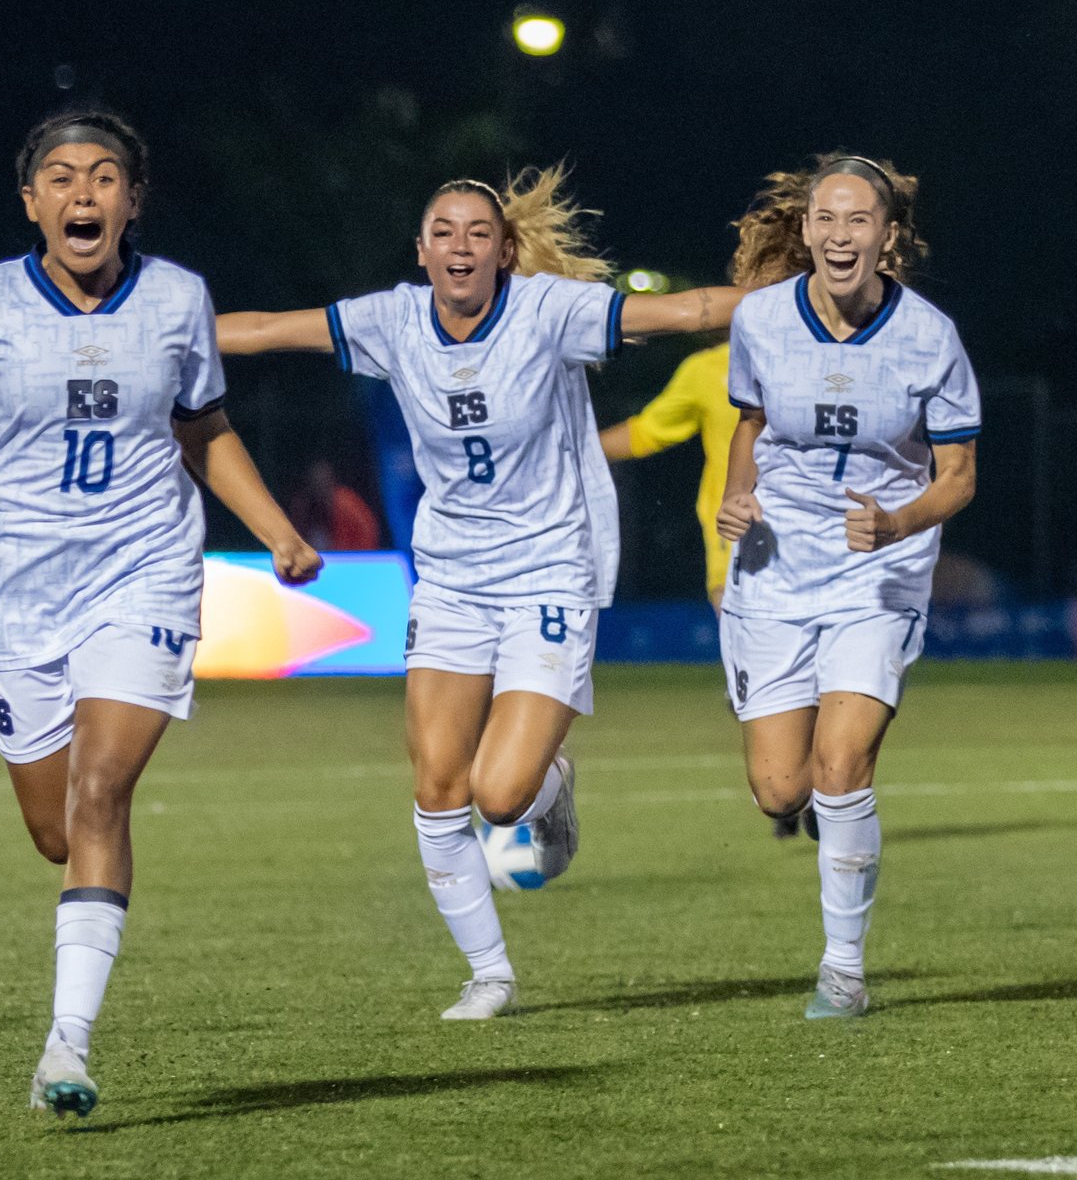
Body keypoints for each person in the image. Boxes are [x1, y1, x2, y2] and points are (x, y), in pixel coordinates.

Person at [0, 112, 319, 1119]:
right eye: (59, 178)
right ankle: (78, 963)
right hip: (18, 593)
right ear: (30, 201)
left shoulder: (175, 300)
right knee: (56, 828)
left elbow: (203, 431)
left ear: (132, 198)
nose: (82, 195)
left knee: (97, 792)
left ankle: (66, 1044)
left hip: (143, 575)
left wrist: (273, 531)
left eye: (102, 177)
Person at [219, 167, 758, 1020]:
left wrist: (804, 294)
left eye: (479, 232)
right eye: (444, 231)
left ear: (506, 251)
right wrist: (153, 330)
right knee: (438, 784)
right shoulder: (392, 319)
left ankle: (551, 788)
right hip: (452, 580)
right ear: (423, 250)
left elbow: (685, 312)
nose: (460, 246)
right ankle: (490, 975)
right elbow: (259, 331)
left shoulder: (549, 311)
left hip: (548, 569)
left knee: (500, 795)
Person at [715, 154, 979, 1019]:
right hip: (774, 573)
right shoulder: (761, 320)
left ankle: (843, 970)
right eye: (825, 220)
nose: (839, 236)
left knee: (840, 768)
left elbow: (959, 474)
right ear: (806, 231)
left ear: (887, 236)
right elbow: (751, 424)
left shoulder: (929, 336)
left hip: (879, 573)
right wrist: (735, 494)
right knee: (780, 791)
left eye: (858, 221)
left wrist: (900, 524)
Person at [598, 337, 737, 607]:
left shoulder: (823, 359)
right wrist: (563, 453)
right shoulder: (707, 369)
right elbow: (645, 433)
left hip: (819, 531)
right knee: (747, 648)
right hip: (735, 539)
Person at [288, 458, 383, 551]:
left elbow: (368, 533)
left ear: (331, 480)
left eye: (323, 482)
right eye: (316, 482)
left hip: (354, 556)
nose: (320, 486)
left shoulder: (346, 504)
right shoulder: (304, 505)